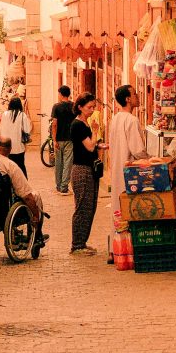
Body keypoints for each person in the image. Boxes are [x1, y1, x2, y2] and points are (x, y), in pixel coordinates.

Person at [69, 92, 106, 255]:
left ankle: (82, 242)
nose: (92, 110)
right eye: (89, 107)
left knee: (90, 207)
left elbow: (90, 145)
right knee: (82, 208)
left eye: (93, 107)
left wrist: (99, 145)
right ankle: (77, 245)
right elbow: (90, 147)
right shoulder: (77, 125)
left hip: (89, 169)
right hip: (82, 170)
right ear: (80, 107)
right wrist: (96, 132)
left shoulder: (85, 123)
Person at [108, 84, 149, 219]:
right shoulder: (131, 120)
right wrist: (150, 160)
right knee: (130, 207)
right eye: (134, 94)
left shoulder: (115, 118)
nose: (137, 96)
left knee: (119, 206)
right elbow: (138, 150)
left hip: (117, 168)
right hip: (130, 171)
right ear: (128, 99)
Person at [50, 85, 75, 195]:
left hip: (59, 139)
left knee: (58, 163)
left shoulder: (56, 107)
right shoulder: (73, 106)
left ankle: (58, 186)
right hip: (70, 138)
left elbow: (54, 124)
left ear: (60, 94)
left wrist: (54, 140)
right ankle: (64, 187)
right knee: (67, 163)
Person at [0, 96, 32, 177]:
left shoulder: (5, 114)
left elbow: (1, 130)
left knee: (7, 168)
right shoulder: (22, 115)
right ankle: (22, 182)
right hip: (18, 146)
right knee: (20, 166)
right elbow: (27, 129)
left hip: (6, 146)